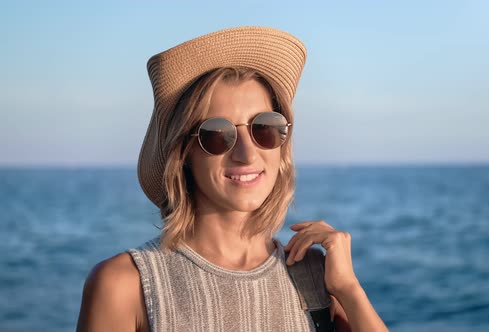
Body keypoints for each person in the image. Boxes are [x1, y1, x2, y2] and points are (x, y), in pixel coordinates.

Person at [76, 26, 388, 332]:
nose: (247, 153)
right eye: (217, 134)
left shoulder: (317, 276)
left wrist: (349, 289)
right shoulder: (125, 285)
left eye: (264, 127)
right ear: (183, 152)